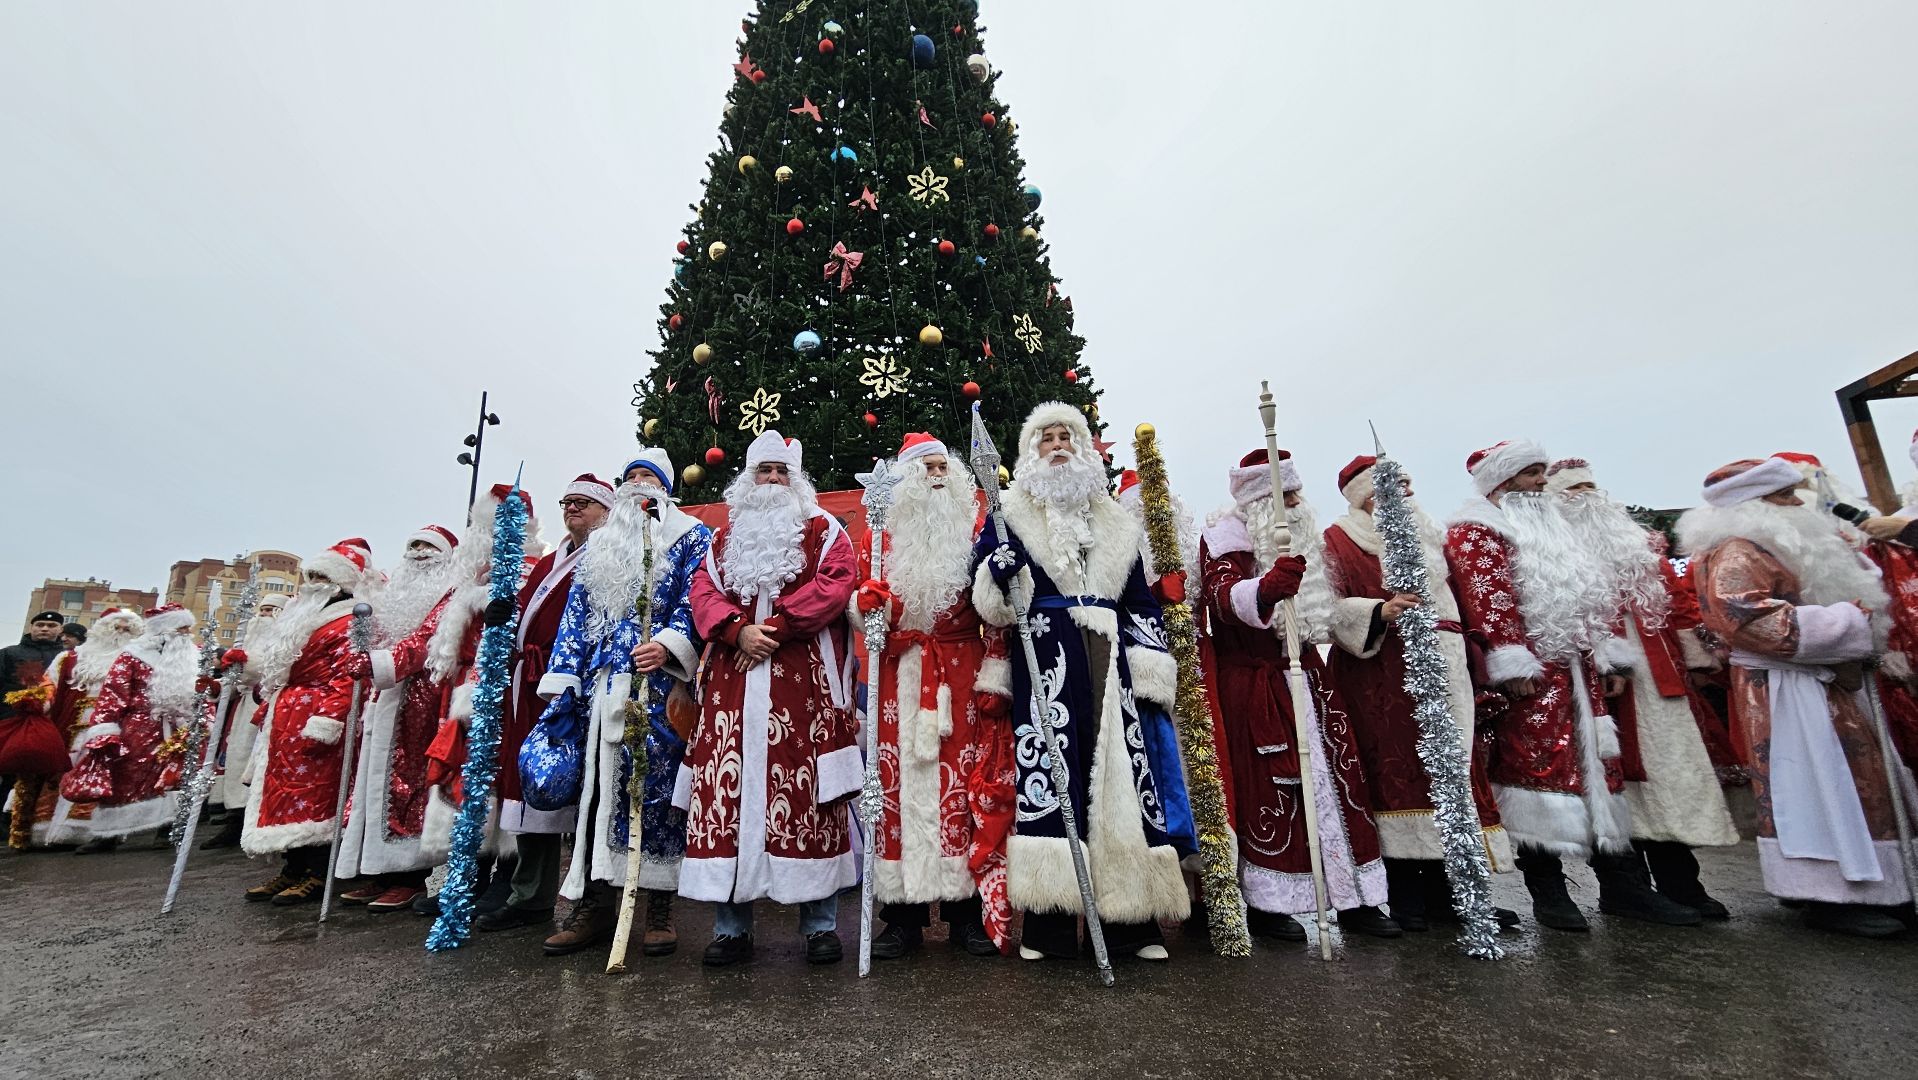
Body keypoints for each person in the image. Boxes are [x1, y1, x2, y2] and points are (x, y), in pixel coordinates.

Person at [972, 404, 1195, 963]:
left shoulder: (1118, 522)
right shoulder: (1008, 517)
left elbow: (1141, 603)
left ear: (1085, 448)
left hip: (1111, 661)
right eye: (1045, 438)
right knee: (1048, 777)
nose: (1057, 445)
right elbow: (991, 607)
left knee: (1122, 782)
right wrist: (998, 574)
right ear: (1030, 452)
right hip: (1044, 655)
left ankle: (1132, 925)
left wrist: (1147, 669)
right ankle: (1048, 928)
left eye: (1066, 436)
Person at [1445, 441, 1698, 930]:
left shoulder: (1553, 526)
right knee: (1532, 777)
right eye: (1532, 473)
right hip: (1530, 678)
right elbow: (1487, 600)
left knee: (1601, 772)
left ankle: (1624, 887)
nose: (1543, 481)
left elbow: (1589, 596)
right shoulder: (1476, 530)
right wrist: (1511, 663)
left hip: (1579, 674)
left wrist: (1606, 658)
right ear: (1503, 481)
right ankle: (1550, 893)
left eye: (1542, 472)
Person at [1683, 457, 1914, 938]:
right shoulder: (1738, 550)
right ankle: (1830, 894)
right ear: (1757, 504)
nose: (1797, 504)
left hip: (1827, 678)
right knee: (1814, 784)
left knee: (1856, 780)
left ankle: (1880, 883)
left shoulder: (1779, 543)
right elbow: (1743, 619)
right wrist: (1851, 624)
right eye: (1785, 496)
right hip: (1788, 690)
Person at [678, 430, 861, 966]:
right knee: (728, 802)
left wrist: (776, 627)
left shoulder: (824, 530)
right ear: (749, 478)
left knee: (809, 798)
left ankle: (821, 926)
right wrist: (736, 631)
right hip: (732, 687)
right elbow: (702, 594)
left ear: (796, 479)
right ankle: (731, 927)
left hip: (803, 686)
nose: (774, 480)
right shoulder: (724, 537)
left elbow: (835, 585)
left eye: (783, 472)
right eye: (765, 471)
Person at [1198, 449, 1396, 942]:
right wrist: (1264, 589)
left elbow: (1323, 613)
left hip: (1310, 675)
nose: (1294, 502)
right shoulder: (1225, 539)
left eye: (1296, 493)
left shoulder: (1306, 540)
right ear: (1261, 500)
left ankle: (1352, 898)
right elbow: (1222, 600)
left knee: (1340, 784)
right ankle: (1269, 904)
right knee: (1271, 789)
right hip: (1256, 683)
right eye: (1284, 495)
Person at [1320, 455, 1515, 932]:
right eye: (1394, 487)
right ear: (1367, 496)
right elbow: (1327, 607)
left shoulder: (1431, 537)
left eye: (1409, 484)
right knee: (1397, 778)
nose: (1406, 494)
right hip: (1381, 672)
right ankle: (1407, 896)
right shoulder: (1341, 539)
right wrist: (1378, 611)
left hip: (1447, 668)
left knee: (1452, 776)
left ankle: (1457, 893)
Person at [1546, 460, 1740, 919]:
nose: (1587, 495)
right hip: (1602, 679)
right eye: (1573, 490)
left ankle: (1681, 882)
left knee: (1671, 778)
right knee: (1616, 783)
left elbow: (1678, 600)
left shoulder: (1640, 544)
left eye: (1591, 485)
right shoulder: (1555, 551)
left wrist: (1697, 652)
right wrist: (1606, 656)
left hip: (1660, 678)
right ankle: (1626, 886)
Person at [534, 451, 710, 957]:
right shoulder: (601, 546)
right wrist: (566, 679)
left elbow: (694, 601)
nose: (637, 485)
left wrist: (674, 644)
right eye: (630, 477)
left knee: (654, 795)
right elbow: (576, 614)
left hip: (658, 691)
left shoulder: (690, 537)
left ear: (665, 488)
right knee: (595, 796)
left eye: (648, 478)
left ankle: (658, 905)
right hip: (599, 690)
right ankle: (593, 905)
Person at [857, 432, 1016, 959]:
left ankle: (966, 910)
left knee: (962, 787)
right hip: (899, 673)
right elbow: (862, 596)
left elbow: (997, 610)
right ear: (904, 479)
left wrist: (996, 667)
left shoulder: (976, 531)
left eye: (942, 463)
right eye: (924, 466)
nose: (936, 472)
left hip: (962, 673)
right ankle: (900, 915)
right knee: (896, 789)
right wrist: (868, 606)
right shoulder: (881, 533)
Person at [359, 486, 542, 918]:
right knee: (464, 784)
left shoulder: (532, 573)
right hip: (460, 694)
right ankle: (468, 876)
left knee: (499, 785)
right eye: (487, 524)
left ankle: (502, 878)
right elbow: (430, 636)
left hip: (505, 695)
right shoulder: (467, 580)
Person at [487, 473, 612, 935]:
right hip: (532, 684)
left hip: (574, 687)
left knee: (583, 793)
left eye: (583, 502)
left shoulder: (606, 556)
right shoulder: (549, 562)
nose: (572, 509)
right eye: (567, 502)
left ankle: (584, 899)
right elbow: (524, 607)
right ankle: (527, 892)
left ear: (605, 510)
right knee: (531, 784)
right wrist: (505, 615)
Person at [239, 540, 376, 905]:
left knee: (316, 795)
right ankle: (292, 867)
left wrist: (329, 719)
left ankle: (317, 871)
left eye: (322, 575)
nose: (313, 580)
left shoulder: (350, 620)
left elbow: (348, 676)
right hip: (286, 718)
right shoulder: (302, 613)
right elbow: (277, 662)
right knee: (285, 795)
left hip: (317, 714)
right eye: (311, 574)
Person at [333, 525, 461, 911]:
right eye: (414, 545)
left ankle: (409, 874)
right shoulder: (392, 595)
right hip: (387, 692)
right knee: (375, 781)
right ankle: (377, 869)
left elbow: (428, 639)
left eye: (429, 547)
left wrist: (379, 662)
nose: (420, 552)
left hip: (424, 694)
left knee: (411, 782)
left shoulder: (449, 594)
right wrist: (365, 648)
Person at [66, 604, 204, 844]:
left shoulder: (194, 655)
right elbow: (113, 692)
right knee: (125, 773)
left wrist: (205, 719)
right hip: (138, 726)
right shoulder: (132, 655)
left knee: (176, 777)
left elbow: (202, 692)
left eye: (187, 630)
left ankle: (169, 828)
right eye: (181, 629)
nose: (186, 635)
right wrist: (105, 728)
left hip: (181, 727)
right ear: (164, 629)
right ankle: (109, 833)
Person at [38, 608, 146, 850]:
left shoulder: (139, 661)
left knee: (106, 777)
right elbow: (49, 686)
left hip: (115, 730)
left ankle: (93, 832)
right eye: (115, 627)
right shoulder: (69, 659)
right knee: (62, 774)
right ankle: (48, 830)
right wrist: (37, 702)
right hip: (69, 729)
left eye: (127, 629)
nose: (120, 633)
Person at [201, 591, 288, 849]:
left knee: (257, 761)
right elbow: (239, 682)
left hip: (269, 704)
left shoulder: (283, 638)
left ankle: (252, 817)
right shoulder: (249, 639)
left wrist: (246, 663)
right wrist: (218, 687)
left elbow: (276, 667)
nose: (264, 616)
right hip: (245, 706)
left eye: (271, 610)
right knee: (237, 760)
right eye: (262, 610)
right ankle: (235, 814)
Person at [1, 611, 67, 832]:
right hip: (11, 720)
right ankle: (5, 820)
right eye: (40, 625)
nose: (45, 629)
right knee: (9, 769)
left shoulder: (67, 656)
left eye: (51, 625)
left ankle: (38, 822)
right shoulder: (9, 654)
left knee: (44, 773)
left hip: (51, 724)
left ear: (60, 630)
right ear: (32, 628)